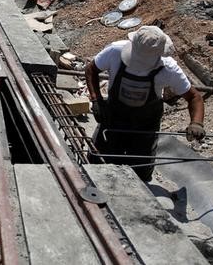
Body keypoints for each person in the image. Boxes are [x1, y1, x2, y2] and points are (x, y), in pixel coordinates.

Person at [85, 26, 205, 181]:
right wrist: (96, 100)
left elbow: (194, 97)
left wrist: (196, 123)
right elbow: (91, 70)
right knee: (97, 162)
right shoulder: (115, 52)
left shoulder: (168, 69)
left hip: (144, 126)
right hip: (113, 118)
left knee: (140, 173)